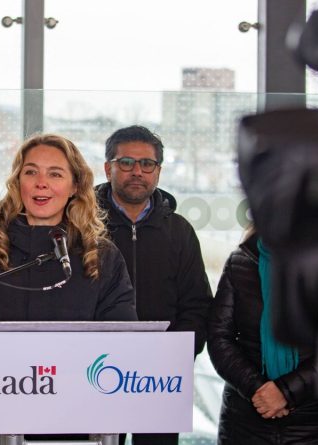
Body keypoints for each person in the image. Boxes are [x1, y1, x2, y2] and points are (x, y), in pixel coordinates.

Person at [0, 133, 138, 445]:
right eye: (31, 172)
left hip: (80, 425)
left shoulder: (102, 256)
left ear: (74, 187)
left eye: (55, 174)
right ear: (18, 182)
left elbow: (123, 339)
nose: (41, 182)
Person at [95, 125, 212, 445]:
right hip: (95, 372)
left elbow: (197, 305)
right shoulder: (83, 226)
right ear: (108, 168)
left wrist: (175, 355)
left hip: (160, 376)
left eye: (147, 164)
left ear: (158, 171)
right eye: (126, 163)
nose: (137, 171)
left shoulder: (179, 231)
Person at [207, 228, 318, 444]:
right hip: (246, 421)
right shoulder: (240, 262)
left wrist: (286, 392)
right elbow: (219, 338)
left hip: (316, 424)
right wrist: (257, 390)